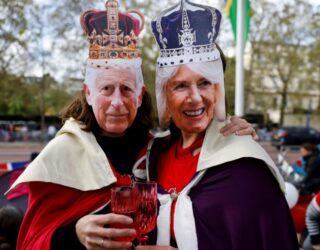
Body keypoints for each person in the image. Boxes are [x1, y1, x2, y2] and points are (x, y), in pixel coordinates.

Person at [7, 1, 255, 249]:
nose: (117, 102)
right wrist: (74, 235)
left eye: (126, 89)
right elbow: (30, 240)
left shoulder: (155, 150)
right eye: (106, 88)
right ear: (89, 93)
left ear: (140, 95)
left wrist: (226, 127)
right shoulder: (62, 154)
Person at [135, 1, 299, 249]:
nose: (196, 97)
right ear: (164, 94)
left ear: (219, 89)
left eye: (205, 83)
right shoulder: (153, 154)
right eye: (180, 85)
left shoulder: (246, 165)